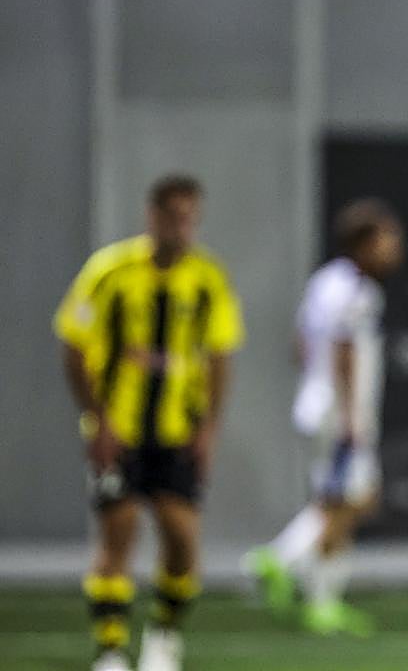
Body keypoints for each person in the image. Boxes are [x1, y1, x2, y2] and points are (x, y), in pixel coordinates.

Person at [54, 175, 244, 671]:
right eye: (173, 216)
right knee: (117, 532)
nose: (181, 227)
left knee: (181, 540)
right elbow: (74, 345)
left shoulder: (207, 278)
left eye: (190, 218)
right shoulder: (109, 271)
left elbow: (220, 356)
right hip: (118, 430)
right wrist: (96, 418)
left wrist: (208, 430)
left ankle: (163, 633)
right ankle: (111, 650)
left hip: (177, 431)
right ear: (152, 216)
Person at [244, 199, 404, 636]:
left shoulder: (325, 281)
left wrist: (314, 385)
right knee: (347, 502)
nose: (394, 249)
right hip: (341, 412)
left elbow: (301, 342)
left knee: (343, 501)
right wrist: (351, 416)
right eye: (386, 240)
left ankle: (320, 599)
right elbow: (345, 350)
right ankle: (280, 561)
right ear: (363, 243)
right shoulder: (358, 291)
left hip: (316, 404)